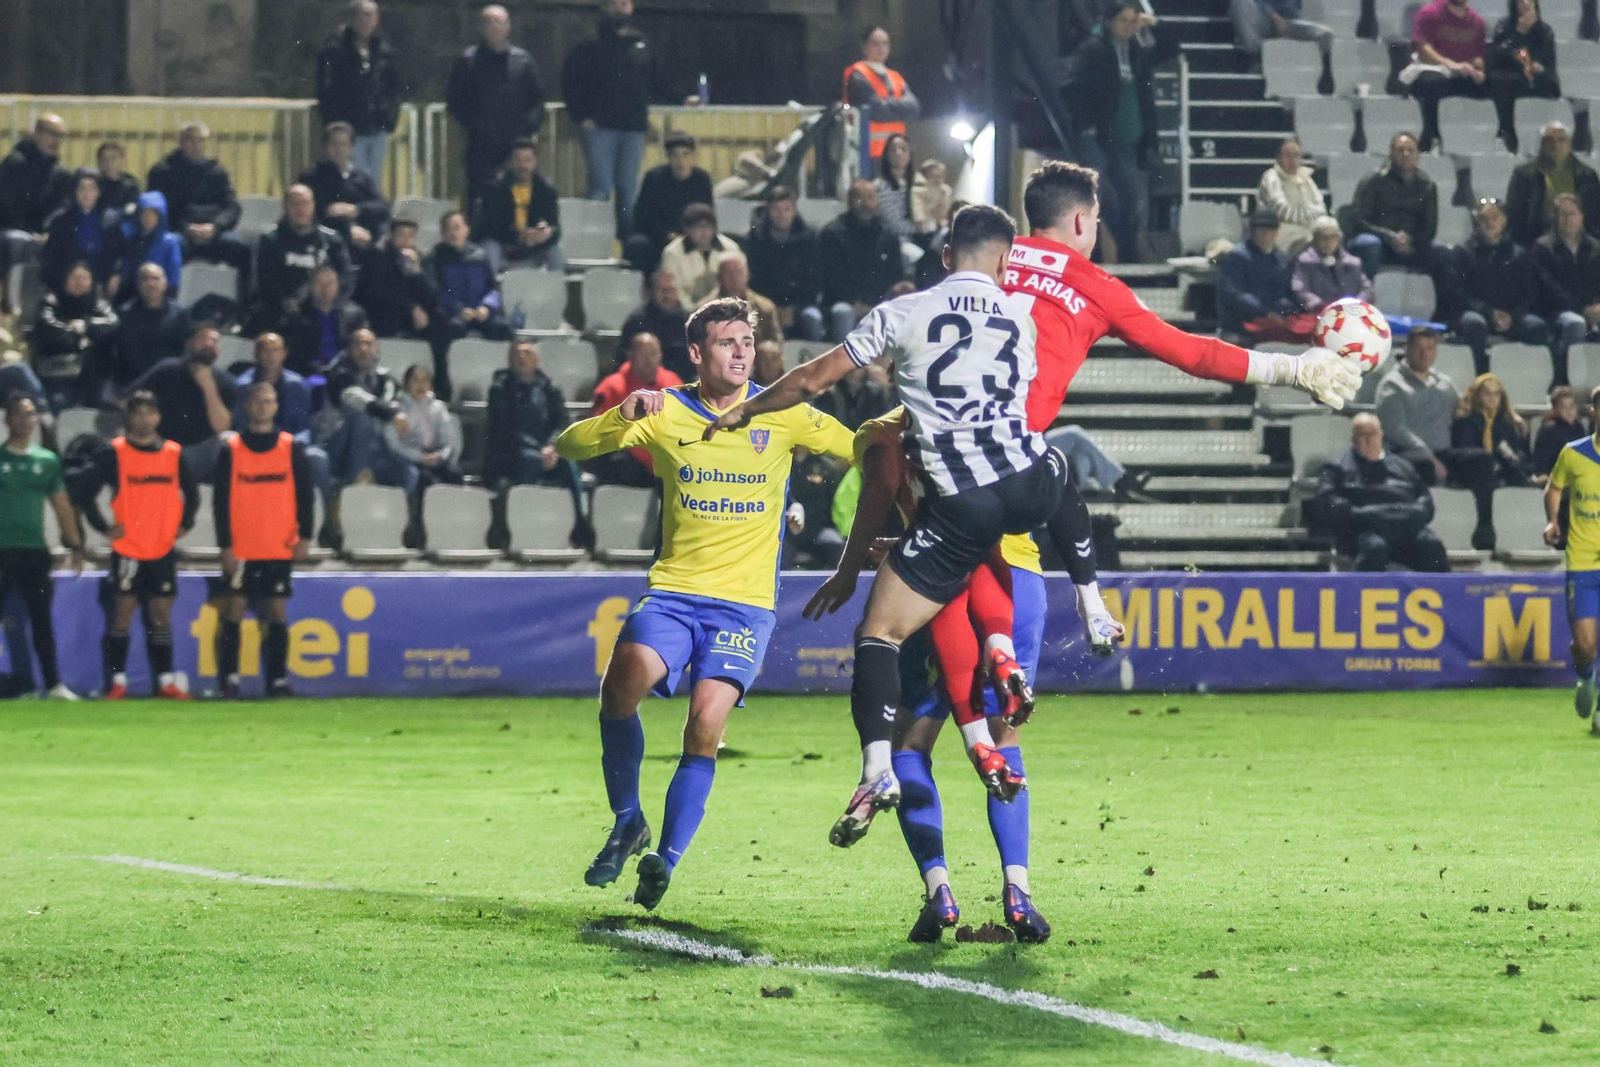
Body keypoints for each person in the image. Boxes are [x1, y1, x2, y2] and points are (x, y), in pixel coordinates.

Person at [776, 170, 1359, 838]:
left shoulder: (989, 258)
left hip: (923, 451)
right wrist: (1292, 368)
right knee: (998, 672)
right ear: (1084, 221)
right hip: (1007, 473)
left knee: (908, 660)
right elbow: (1191, 354)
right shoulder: (1094, 286)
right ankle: (1057, 635)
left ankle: (899, 781)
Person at [556, 297, 853, 910]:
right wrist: (621, 413)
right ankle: (628, 819)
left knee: (704, 727)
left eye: (747, 340)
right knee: (619, 690)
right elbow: (570, 447)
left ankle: (663, 860)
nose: (742, 351)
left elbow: (863, 450)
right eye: (727, 342)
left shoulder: (786, 413)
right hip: (673, 594)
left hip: (744, 606)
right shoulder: (666, 413)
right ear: (697, 354)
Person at [825, 402, 1049, 941]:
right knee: (1005, 737)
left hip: (936, 582)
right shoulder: (1006, 415)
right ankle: (1018, 890)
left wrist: (855, 566)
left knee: (910, 744)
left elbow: (887, 503)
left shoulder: (881, 434)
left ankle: (938, 890)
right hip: (1019, 585)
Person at [73, 390, 200, 698]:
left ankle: (166, 681)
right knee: (122, 614)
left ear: (158, 417)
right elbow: (85, 493)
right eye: (138, 413)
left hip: (161, 548)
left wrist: (185, 524)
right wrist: (103, 526)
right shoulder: (114, 453)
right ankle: (117, 683)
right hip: (128, 548)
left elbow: (192, 494)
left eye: (150, 413)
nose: (144, 420)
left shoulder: (172, 453)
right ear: (128, 417)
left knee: (161, 614)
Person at [212, 381, 314, 700]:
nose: (262, 406)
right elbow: (221, 501)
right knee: (235, 609)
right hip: (242, 545)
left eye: (268, 401)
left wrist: (305, 536)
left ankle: (278, 680)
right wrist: (225, 545)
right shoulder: (232, 449)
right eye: (257, 400)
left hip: (278, 544)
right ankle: (229, 678)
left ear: (276, 407)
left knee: (277, 612)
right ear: (247, 405)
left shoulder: (290, 447)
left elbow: (305, 496)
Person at [1059, 2, 1177, 263]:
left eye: (1133, 21)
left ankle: (1126, 253)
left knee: (1129, 198)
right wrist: (1085, 122)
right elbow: (1070, 85)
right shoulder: (1093, 49)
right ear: (1110, 21)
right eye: (1124, 20)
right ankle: (1095, 250)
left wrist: (1154, 24)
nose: (1129, 27)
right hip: (1099, 135)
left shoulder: (1137, 52)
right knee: (1100, 191)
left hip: (1127, 139)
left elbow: (1170, 49)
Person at [1375, 325, 1499, 546]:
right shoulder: (1392, 384)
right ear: (1407, 348)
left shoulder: (1443, 382)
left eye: (1431, 349)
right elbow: (1396, 429)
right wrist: (1429, 456)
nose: (1426, 354)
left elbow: (1465, 408)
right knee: (1426, 467)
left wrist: (1510, 415)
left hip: (1443, 452)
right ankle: (1423, 537)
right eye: (1420, 348)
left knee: (1482, 460)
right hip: (1408, 455)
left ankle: (1483, 529)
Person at [0, 393, 82, 699]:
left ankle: (53, 684)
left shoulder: (46, 461)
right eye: (19, 414)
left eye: (31, 414)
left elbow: (62, 506)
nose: (26, 420)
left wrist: (75, 544)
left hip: (34, 549)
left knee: (40, 620)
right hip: (2, 548)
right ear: (7, 420)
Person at [562, 0, 667, 238]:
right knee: (600, 189)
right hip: (600, 128)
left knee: (628, 190)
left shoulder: (641, 45)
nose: (621, 8)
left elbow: (656, 79)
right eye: (616, 3)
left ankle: (626, 242)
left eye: (625, 3)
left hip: (633, 128)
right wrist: (581, 116)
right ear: (604, 8)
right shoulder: (589, 47)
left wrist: (681, 99)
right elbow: (571, 82)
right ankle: (596, 241)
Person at [1308, 412, 1448, 571]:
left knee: (1431, 546)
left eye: (1372, 434)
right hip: (1364, 531)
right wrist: (1361, 514)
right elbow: (1328, 502)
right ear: (1353, 438)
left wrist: (1407, 513)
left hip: (1405, 530)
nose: (1368, 440)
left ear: (1381, 435)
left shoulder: (1403, 466)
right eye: (1362, 435)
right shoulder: (1336, 468)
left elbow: (1425, 502)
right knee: (1375, 549)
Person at [446, 4, 545, 209]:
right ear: (480, 27)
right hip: (480, 144)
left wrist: (526, 132)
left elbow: (536, 100)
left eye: (499, 22)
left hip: (514, 145)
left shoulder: (523, 61)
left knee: (515, 198)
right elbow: (455, 100)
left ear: (508, 26)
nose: (494, 27)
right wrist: (474, 126)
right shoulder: (468, 60)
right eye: (488, 22)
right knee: (478, 198)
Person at [1542, 385, 1600, 725]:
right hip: (1581, 561)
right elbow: (1554, 487)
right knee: (1586, 645)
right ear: (1593, 412)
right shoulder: (1573, 453)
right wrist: (1552, 521)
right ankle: (1584, 674)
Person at [128, 321, 237, 480]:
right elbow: (132, 398)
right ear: (190, 343)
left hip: (200, 449)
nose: (208, 344)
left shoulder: (225, 382)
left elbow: (221, 426)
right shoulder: (167, 369)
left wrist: (208, 387)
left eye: (213, 341)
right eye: (202, 339)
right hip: (160, 444)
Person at [1453, 197, 1546, 375]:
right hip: (1479, 314)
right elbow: (1459, 293)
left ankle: (1523, 376)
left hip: (1511, 316)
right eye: (1483, 219)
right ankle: (1481, 378)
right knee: (1474, 324)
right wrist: (1489, 313)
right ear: (1476, 222)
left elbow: (1529, 294)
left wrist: (1513, 315)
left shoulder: (1519, 255)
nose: (1489, 223)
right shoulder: (1464, 252)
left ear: (1504, 220)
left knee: (1537, 327)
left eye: (1494, 217)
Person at [425, 210, 510, 400]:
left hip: (479, 314)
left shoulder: (480, 256)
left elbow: (493, 288)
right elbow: (435, 290)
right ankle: (445, 385)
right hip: (453, 315)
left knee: (502, 329)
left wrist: (486, 307)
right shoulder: (436, 257)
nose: (453, 233)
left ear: (467, 229)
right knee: (448, 329)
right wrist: (457, 309)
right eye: (448, 229)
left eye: (457, 227)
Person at [1348, 133, 1447, 293]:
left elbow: (1429, 228)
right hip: (1379, 242)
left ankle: (1444, 311)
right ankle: (1364, 301)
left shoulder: (1428, 185)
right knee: (1368, 244)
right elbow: (1359, 220)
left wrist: (1410, 239)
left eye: (1410, 150)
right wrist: (1389, 237)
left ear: (1418, 155)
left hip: (1410, 245)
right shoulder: (1373, 180)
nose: (1406, 154)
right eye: (1401, 150)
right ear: (1391, 154)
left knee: (1442, 252)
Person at [314, 0, 402, 182]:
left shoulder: (384, 51)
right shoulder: (336, 50)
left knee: (372, 182)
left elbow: (394, 88)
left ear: (377, 19)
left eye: (370, 15)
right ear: (351, 19)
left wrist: (389, 118)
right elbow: (326, 89)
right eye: (361, 15)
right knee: (352, 179)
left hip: (377, 128)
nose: (365, 21)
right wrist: (334, 123)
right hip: (349, 130)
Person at [145, 123, 250, 275]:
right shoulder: (163, 171)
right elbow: (159, 208)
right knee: (169, 245)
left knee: (241, 249)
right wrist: (186, 227)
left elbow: (232, 206)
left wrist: (215, 226)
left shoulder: (217, 172)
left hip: (214, 232)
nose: (196, 145)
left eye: (200, 140)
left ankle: (242, 298)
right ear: (181, 141)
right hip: (180, 231)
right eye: (190, 140)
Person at [250, 183, 352, 335]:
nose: (300, 209)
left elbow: (345, 278)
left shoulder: (332, 241)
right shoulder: (270, 241)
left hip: (324, 308)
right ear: (285, 207)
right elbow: (265, 281)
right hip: (282, 311)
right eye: (294, 204)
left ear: (313, 205)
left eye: (305, 203)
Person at [318, 328, 411, 494]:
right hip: (336, 445)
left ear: (376, 349)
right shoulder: (339, 373)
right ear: (349, 349)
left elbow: (392, 405)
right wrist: (391, 413)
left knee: (409, 472)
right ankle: (357, 486)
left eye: (368, 344)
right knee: (362, 419)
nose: (363, 348)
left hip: (374, 447)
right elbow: (352, 396)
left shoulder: (386, 379)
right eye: (357, 344)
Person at [483, 339, 578, 498]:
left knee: (569, 462)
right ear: (510, 361)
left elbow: (562, 422)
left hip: (547, 450)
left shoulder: (550, 388)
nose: (521, 358)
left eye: (527, 353)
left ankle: (578, 518)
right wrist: (539, 449)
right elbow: (505, 428)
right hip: (512, 450)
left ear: (536, 360)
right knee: (531, 461)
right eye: (517, 354)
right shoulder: (499, 389)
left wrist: (552, 446)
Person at [586, 331, 682, 487]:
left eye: (653, 354)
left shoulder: (673, 383)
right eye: (644, 355)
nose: (650, 360)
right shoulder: (612, 387)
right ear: (631, 357)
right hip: (628, 463)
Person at [819, 179, 906, 342]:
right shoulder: (834, 233)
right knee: (843, 312)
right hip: (844, 302)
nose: (865, 203)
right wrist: (855, 303)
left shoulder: (887, 235)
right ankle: (844, 364)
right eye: (859, 198)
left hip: (880, 302)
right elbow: (831, 278)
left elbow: (897, 274)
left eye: (870, 198)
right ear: (850, 201)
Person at [1530, 193, 1600, 386]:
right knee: (1575, 324)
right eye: (1563, 214)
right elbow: (1549, 288)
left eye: (1572, 213)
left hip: (1591, 307)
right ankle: (1564, 381)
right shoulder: (1543, 248)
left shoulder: (1595, 248)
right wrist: (1582, 309)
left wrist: (1595, 306)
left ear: (1582, 216)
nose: (1568, 219)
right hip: (1555, 310)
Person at [623, 131, 713, 275]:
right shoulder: (654, 178)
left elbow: (707, 214)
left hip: (691, 235)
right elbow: (644, 216)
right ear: (668, 157)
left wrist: (689, 234)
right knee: (637, 245)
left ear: (693, 156)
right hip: (658, 236)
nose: (680, 161)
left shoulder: (702, 179)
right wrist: (667, 235)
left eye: (685, 154)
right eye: (675, 155)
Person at [743, 185, 824, 342]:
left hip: (800, 305)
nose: (782, 215)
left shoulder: (810, 239)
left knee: (813, 320)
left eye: (787, 209)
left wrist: (794, 308)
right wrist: (773, 307)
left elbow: (815, 279)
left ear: (794, 211)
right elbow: (754, 279)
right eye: (776, 210)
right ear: (768, 212)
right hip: (765, 305)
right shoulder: (754, 240)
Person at [32, 261, 117, 411]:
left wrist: (85, 325)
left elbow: (112, 325)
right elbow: (47, 327)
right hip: (58, 368)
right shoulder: (51, 301)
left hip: (89, 370)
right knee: (60, 403)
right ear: (66, 279)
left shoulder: (98, 304)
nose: (79, 282)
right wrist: (77, 336)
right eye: (75, 277)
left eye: (84, 278)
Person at [1408, 0, 1490, 153]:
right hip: (1432, 72)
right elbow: (1423, 50)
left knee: (1494, 85)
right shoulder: (1429, 13)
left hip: (1461, 75)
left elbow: (1477, 56)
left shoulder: (1477, 22)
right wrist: (1450, 64)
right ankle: (1431, 137)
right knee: (1431, 84)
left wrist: (1477, 69)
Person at [471, 139, 562, 273]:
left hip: (532, 249)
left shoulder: (546, 192)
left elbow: (556, 227)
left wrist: (546, 233)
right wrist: (520, 236)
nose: (522, 165)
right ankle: (490, 291)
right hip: (503, 245)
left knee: (555, 252)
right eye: (518, 160)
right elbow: (487, 229)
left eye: (527, 160)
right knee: (490, 249)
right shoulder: (495, 189)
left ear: (535, 162)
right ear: (511, 163)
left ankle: (556, 292)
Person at [1505, 122, 1600, 248]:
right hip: (1534, 243)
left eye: (1561, 140)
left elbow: (1595, 214)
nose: (1555, 145)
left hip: (1579, 246)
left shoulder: (1587, 175)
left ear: (1569, 144)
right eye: (1549, 140)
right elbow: (1514, 213)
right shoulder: (1524, 175)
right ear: (1542, 145)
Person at [842, 25, 921, 174]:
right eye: (875, 43)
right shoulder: (858, 75)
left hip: (895, 155)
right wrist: (898, 107)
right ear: (865, 47)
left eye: (885, 43)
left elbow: (914, 108)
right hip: (867, 154)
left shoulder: (895, 77)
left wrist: (886, 104)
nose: (881, 48)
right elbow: (877, 111)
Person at [297, 121, 389, 248]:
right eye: (333, 144)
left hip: (366, 238)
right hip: (329, 240)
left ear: (351, 147)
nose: (338, 149)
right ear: (325, 147)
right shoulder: (312, 177)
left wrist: (356, 210)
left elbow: (382, 208)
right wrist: (349, 229)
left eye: (343, 144)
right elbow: (319, 211)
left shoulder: (362, 178)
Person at [1218, 210, 1303, 341]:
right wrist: (1265, 312)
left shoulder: (1280, 259)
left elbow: (1286, 291)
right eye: (1261, 228)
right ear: (1252, 231)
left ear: (1276, 232)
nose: (1266, 233)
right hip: (1242, 324)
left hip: (1274, 322)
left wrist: (1294, 310)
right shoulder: (1237, 256)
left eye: (1271, 228)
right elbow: (1234, 294)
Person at [0, 115, 70, 273]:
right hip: (13, 230)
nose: (55, 140)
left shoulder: (60, 173)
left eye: (59, 136)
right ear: (37, 133)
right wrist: (29, 232)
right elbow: (7, 203)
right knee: (17, 241)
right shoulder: (15, 163)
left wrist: (48, 231)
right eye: (51, 134)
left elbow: (61, 208)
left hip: (42, 233)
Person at [1487, 0, 1558, 153]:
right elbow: (1496, 58)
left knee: (1544, 82)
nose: (1525, 3)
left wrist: (1537, 67)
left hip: (1539, 81)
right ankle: (1507, 132)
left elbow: (1548, 63)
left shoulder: (1545, 31)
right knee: (1499, 81)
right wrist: (1519, 32)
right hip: (1512, 79)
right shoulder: (1504, 27)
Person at [385, 364, 462, 496]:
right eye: (415, 380)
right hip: (410, 458)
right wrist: (419, 457)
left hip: (435, 456)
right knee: (427, 481)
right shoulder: (397, 409)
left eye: (424, 380)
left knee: (454, 475)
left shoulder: (438, 408)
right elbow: (394, 445)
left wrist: (440, 456)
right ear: (406, 384)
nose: (420, 384)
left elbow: (449, 439)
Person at [354, 217, 437, 339]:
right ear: (391, 236)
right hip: (381, 312)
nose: (406, 240)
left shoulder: (420, 260)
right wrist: (410, 308)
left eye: (410, 236)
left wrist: (417, 273)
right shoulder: (378, 256)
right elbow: (377, 293)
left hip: (410, 316)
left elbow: (432, 298)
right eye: (401, 235)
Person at [111, 264, 189, 391]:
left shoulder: (179, 314)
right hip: (132, 382)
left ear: (165, 283)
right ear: (138, 284)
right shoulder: (124, 313)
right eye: (145, 279)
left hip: (169, 381)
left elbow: (185, 350)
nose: (150, 283)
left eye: (155, 278)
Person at [283, 264, 369, 375]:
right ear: (311, 286)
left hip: (346, 373)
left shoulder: (355, 315)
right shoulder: (298, 317)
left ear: (337, 285)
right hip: (308, 374)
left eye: (329, 283)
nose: (325, 288)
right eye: (320, 283)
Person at [1451, 371, 1533, 484]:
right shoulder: (1466, 422)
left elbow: (1515, 451)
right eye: (1487, 393)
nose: (1492, 398)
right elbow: (1467, 452)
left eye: (1496, 394)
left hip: (1504, 472)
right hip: (1477, 475)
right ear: (1477, 395)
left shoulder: (1505, 423)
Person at [41, 170, 115, 291]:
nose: (86, 193)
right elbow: (52, 258)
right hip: (66, 283)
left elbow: (114, 256)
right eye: (82, 188)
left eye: (91, 189)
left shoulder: (110, 221)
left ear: (99, 192)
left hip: (100, 284)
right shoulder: (61, 221)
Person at [659, 205, 738, 313]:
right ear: (687, 230)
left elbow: (736, 284)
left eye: (708, 227)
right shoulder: (672, 253)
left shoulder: (730, 248)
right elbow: (676, 291)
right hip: (685, 313)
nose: (704, 232)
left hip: (725, 309)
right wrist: (694, 310)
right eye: (698, 227)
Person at [619, 270, 692, 380]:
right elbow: (624, 359)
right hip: (644, 382)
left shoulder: (689, 320)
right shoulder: (637, 321)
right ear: (652, 292)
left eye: (671, 290)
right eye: (662, 290)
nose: (667, 295)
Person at [112, 191, 184, 302]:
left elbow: (173, 276)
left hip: (158, 298)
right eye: (144, 213)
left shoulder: (169, 242)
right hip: (132, 296)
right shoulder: (131, 238)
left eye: (153, 214)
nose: (148, 218)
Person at [1293, 216, 1373, 314]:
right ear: (1315, 239)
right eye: (1323, 237)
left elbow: (1367, 288)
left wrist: (1358, 303)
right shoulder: (1305, 261)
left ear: (1339, 239)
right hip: (1318, 313)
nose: (1328, 242)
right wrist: (1318, 305)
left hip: (1351, 313)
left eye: (1332, 237)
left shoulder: (1352, 263)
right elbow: (1299, 288)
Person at [1258, 139, 1325, 255]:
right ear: (1279, 158)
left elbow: (1321, 209)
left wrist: (1307, 212)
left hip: (1308, 231)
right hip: (1281, 236)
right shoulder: (1271, 177)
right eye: (1288, 155)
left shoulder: (1306, 178)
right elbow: (1284, 211)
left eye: (1296, 155)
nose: (1293, 160)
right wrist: (1309, 212)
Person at [699, 254, 781, 346]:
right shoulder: (704, 309)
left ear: (747, 275)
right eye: (729, 273)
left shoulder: (765, 307)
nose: (734, 277)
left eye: (738, 272)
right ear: (719, 277)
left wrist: (768, 347)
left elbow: (776, 340)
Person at [1230, 0, 1333, 59]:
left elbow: (1293, 9)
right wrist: (1274, 17)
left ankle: (1326, 69)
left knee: (1325, 33)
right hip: (1263, 19)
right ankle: (1256, 56)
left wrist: (1284, 23)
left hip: (1290, 21)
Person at [1533, 385, 1589, 477]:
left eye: (1571, 406)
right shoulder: (1549, 429)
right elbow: (1542, 460)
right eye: (1563, 407)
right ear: (1555, 410)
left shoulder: (1579, 427)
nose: (1569, 411)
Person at [874, 133, 917, 247]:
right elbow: (894, 224)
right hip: (896, 243)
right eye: (893, 150)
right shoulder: (880, 186)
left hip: (917, 238)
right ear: (886, 155)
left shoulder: (915, 184)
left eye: (903, 149)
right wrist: (921, 229)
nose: (898, 153)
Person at [95, 142, 141, 221]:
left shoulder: (131, 184)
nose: (109, 163)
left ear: (122, 160)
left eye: (113, 158)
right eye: (104, 159)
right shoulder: (95, 183)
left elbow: (133, 208)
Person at [911, 159, 953, 244]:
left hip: (938, 230)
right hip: (921, 233)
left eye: (941, 176)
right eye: (934, 176)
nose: (938, 180)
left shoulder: (945, 191)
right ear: (926, 176)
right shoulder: (917, 192)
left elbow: (944, 214)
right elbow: (918, 215)